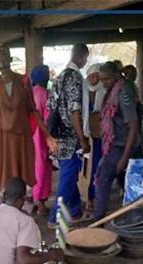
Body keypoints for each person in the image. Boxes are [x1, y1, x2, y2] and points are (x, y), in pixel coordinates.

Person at [0, 45, 58, 194]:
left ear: (10, 58)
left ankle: (23, 204)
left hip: (21, 138)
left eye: (3, 57)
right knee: (4, 180)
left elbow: (33, 110)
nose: (1, 62)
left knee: (23, 178)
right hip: (2, 140)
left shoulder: (22, 81)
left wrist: (48, 136)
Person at [48, 44, 92, 228]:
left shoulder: (58, 77)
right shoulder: (75, 77)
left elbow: (50, 108)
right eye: (86, 58)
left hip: (57, 135)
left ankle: (75, 212)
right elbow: (75, 111)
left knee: (70, 174)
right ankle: (54, 218)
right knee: (67, 177)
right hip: (71, 136)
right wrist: (82, 138)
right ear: (82, 57)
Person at [93, 62, 141, 222]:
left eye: (106, 79)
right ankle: (136, 214)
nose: (104, 83)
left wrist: (125, 157)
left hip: (123, 145)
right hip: (114, 143)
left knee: (103, 179)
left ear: (116, 75)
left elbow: (134, 127)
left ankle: (98, 221)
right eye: (101, 80)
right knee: (124, 181)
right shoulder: (111, 92)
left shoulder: (122, 94)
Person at [30, 65, 55, 215]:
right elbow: (49, 119)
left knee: (33, 169)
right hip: (43, 136)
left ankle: (33, 200)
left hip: (30, 136)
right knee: (44, 170)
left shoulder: (29, 95)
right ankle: (41, 204)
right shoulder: (47, 95)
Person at [84, 63, 104, 214]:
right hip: (85, 132)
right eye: (92, 76)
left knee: (98, 166)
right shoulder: (83, 89)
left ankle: (96, 196)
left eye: (97, 75)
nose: (95, 79)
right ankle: (88, 198)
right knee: (86, 167)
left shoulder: (104, 89)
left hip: (100, 133)